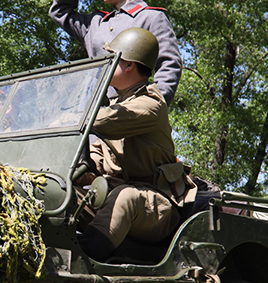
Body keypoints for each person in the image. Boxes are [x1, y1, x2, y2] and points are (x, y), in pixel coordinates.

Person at [77, 27, 194, 262]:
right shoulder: (116, 103)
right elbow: (100, 160)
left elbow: (104, 120)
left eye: (113, 58)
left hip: (156, 205)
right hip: (112, 196)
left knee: (126, 196)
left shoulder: (150, 104)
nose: (107, 64)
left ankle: (85, 264)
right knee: (61, 193)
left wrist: (66, 120)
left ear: (129, 64)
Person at [49, 0, 182, 105]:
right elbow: (58, 12)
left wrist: (155, 103)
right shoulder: (94, 23)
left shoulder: (151, 17)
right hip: (91, 114)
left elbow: (169, 63)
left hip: (130, 113)